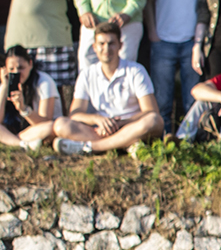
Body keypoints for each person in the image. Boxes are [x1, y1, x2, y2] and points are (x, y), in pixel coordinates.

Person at [49, 22, 164, 154]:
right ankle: (125, 145)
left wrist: (120, 124)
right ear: (94, 47)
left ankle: (92, 147)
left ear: (120, 45)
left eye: (111, 43)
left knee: (154, 121)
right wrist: (97, 119)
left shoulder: (136, 70)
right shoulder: (87, 74)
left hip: (130, 126)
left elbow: (151, 111)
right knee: (60, 125)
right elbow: (75, 114)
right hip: (100, 130)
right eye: (102, 44)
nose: (106, 49)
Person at [0, 44, 64, 150]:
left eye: (21, 68)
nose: (16, 73)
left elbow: (46, 121)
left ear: (30, 64)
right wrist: (4, 86)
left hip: (43, 129)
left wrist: (24, 109)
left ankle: (12, 141)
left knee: (49, 127)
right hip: (22, 132)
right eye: (11, 69)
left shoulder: (44, 81)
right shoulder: (7, 83)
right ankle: (21, 144)